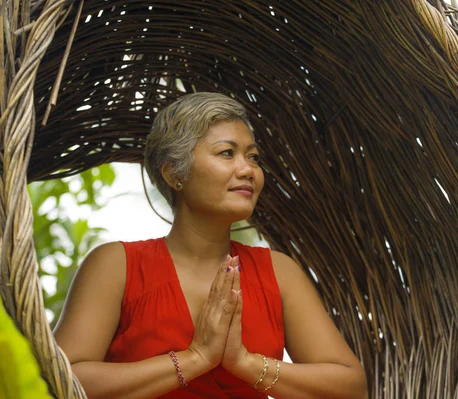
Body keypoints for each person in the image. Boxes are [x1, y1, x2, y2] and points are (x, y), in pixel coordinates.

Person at [54, 92, 368, 399]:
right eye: (227, 153)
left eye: (253, 157)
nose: (248, 170)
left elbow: (350, 387)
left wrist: (243, 362)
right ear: (175, 172)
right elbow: (61, 379)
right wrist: (197, 358)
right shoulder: (115, 265)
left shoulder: (279, 272)